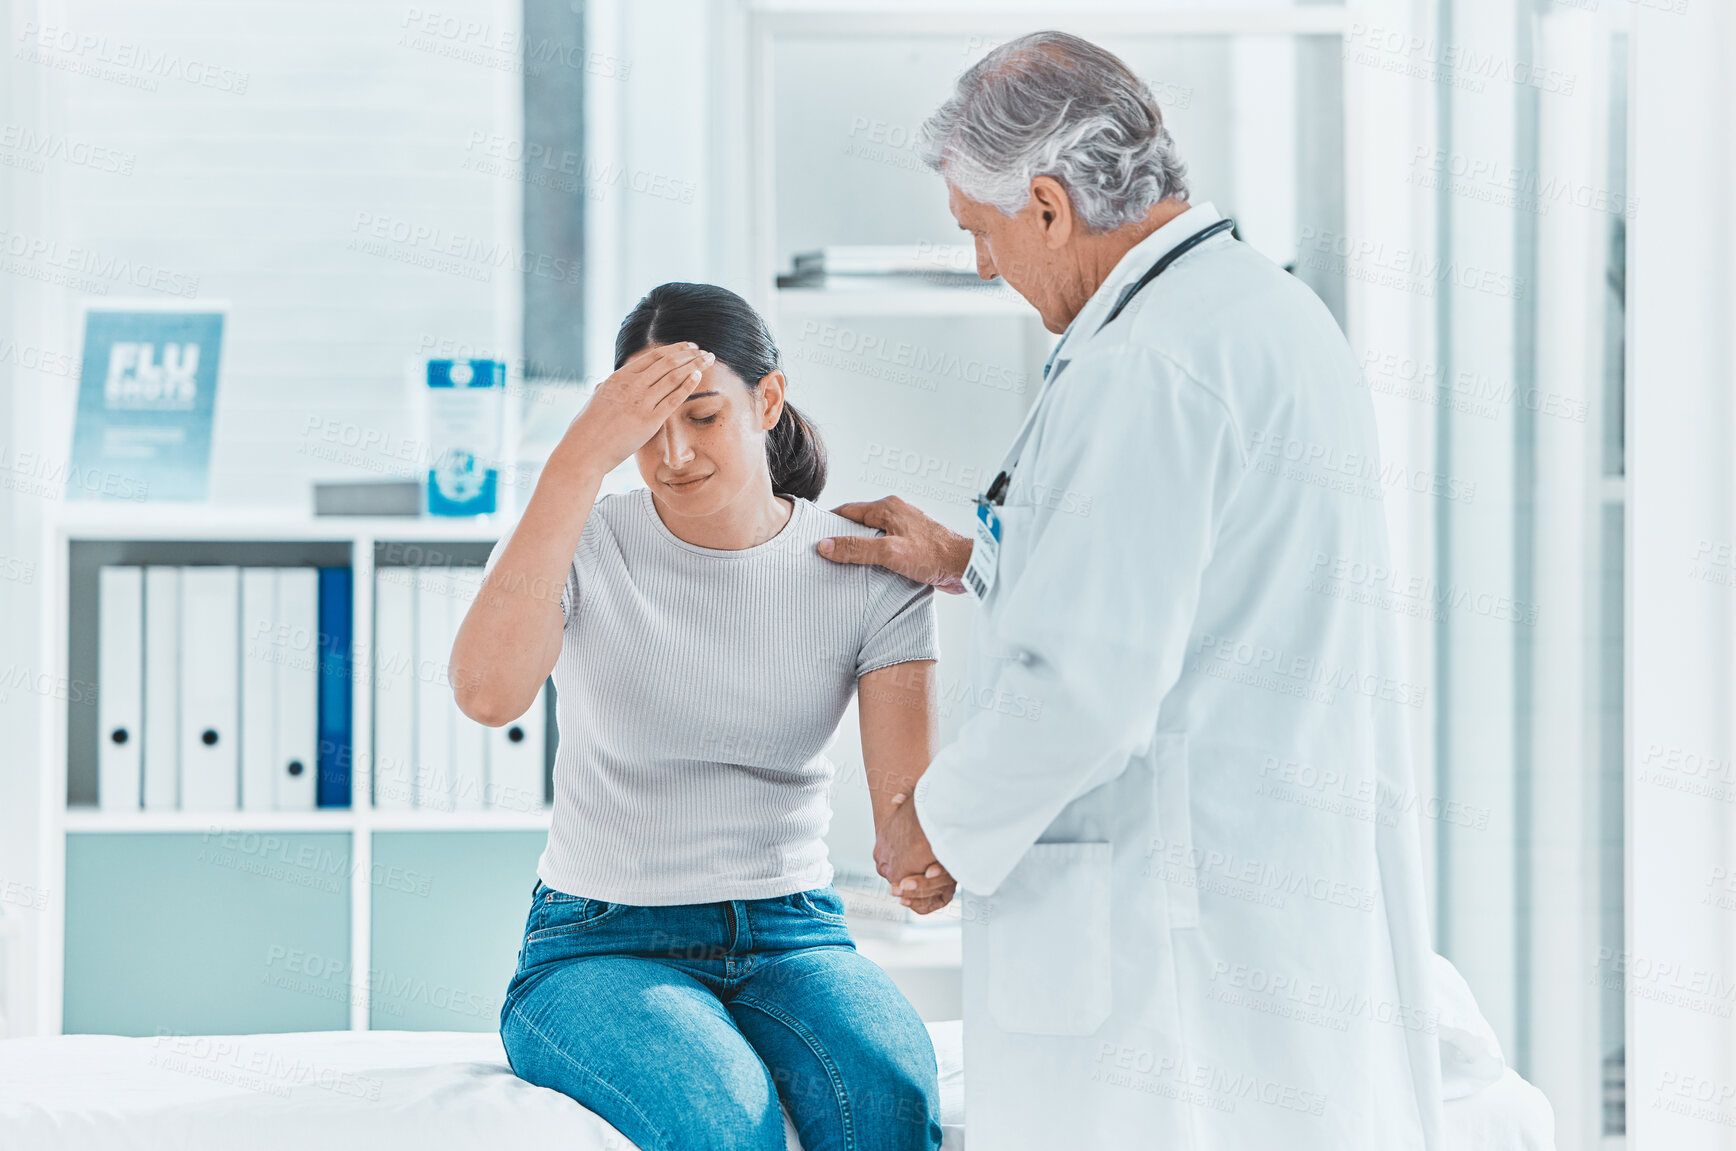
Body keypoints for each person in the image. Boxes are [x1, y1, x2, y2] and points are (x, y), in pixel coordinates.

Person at [817, 31, 1445, 1150]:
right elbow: (1188, 581)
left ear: (1049, 208)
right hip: (1251, 890)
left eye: (980, 233)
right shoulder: (1248, 312)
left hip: (1175, 930)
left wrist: (935, 829)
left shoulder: (1144, 364)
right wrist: (969, 559)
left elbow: (1086, 686)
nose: (980, 267)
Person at [453, 282, 951, 1151]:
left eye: (703, 416)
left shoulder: (867, 569)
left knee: (889, 1095)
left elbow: (909, 816)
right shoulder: (579, 538)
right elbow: (487, 695)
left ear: (769, 399)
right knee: (726, 1123)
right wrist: (574, 461)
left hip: (792, 933)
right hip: (600, 944)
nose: (674, 453)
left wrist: (928, 858)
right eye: (642, 429)